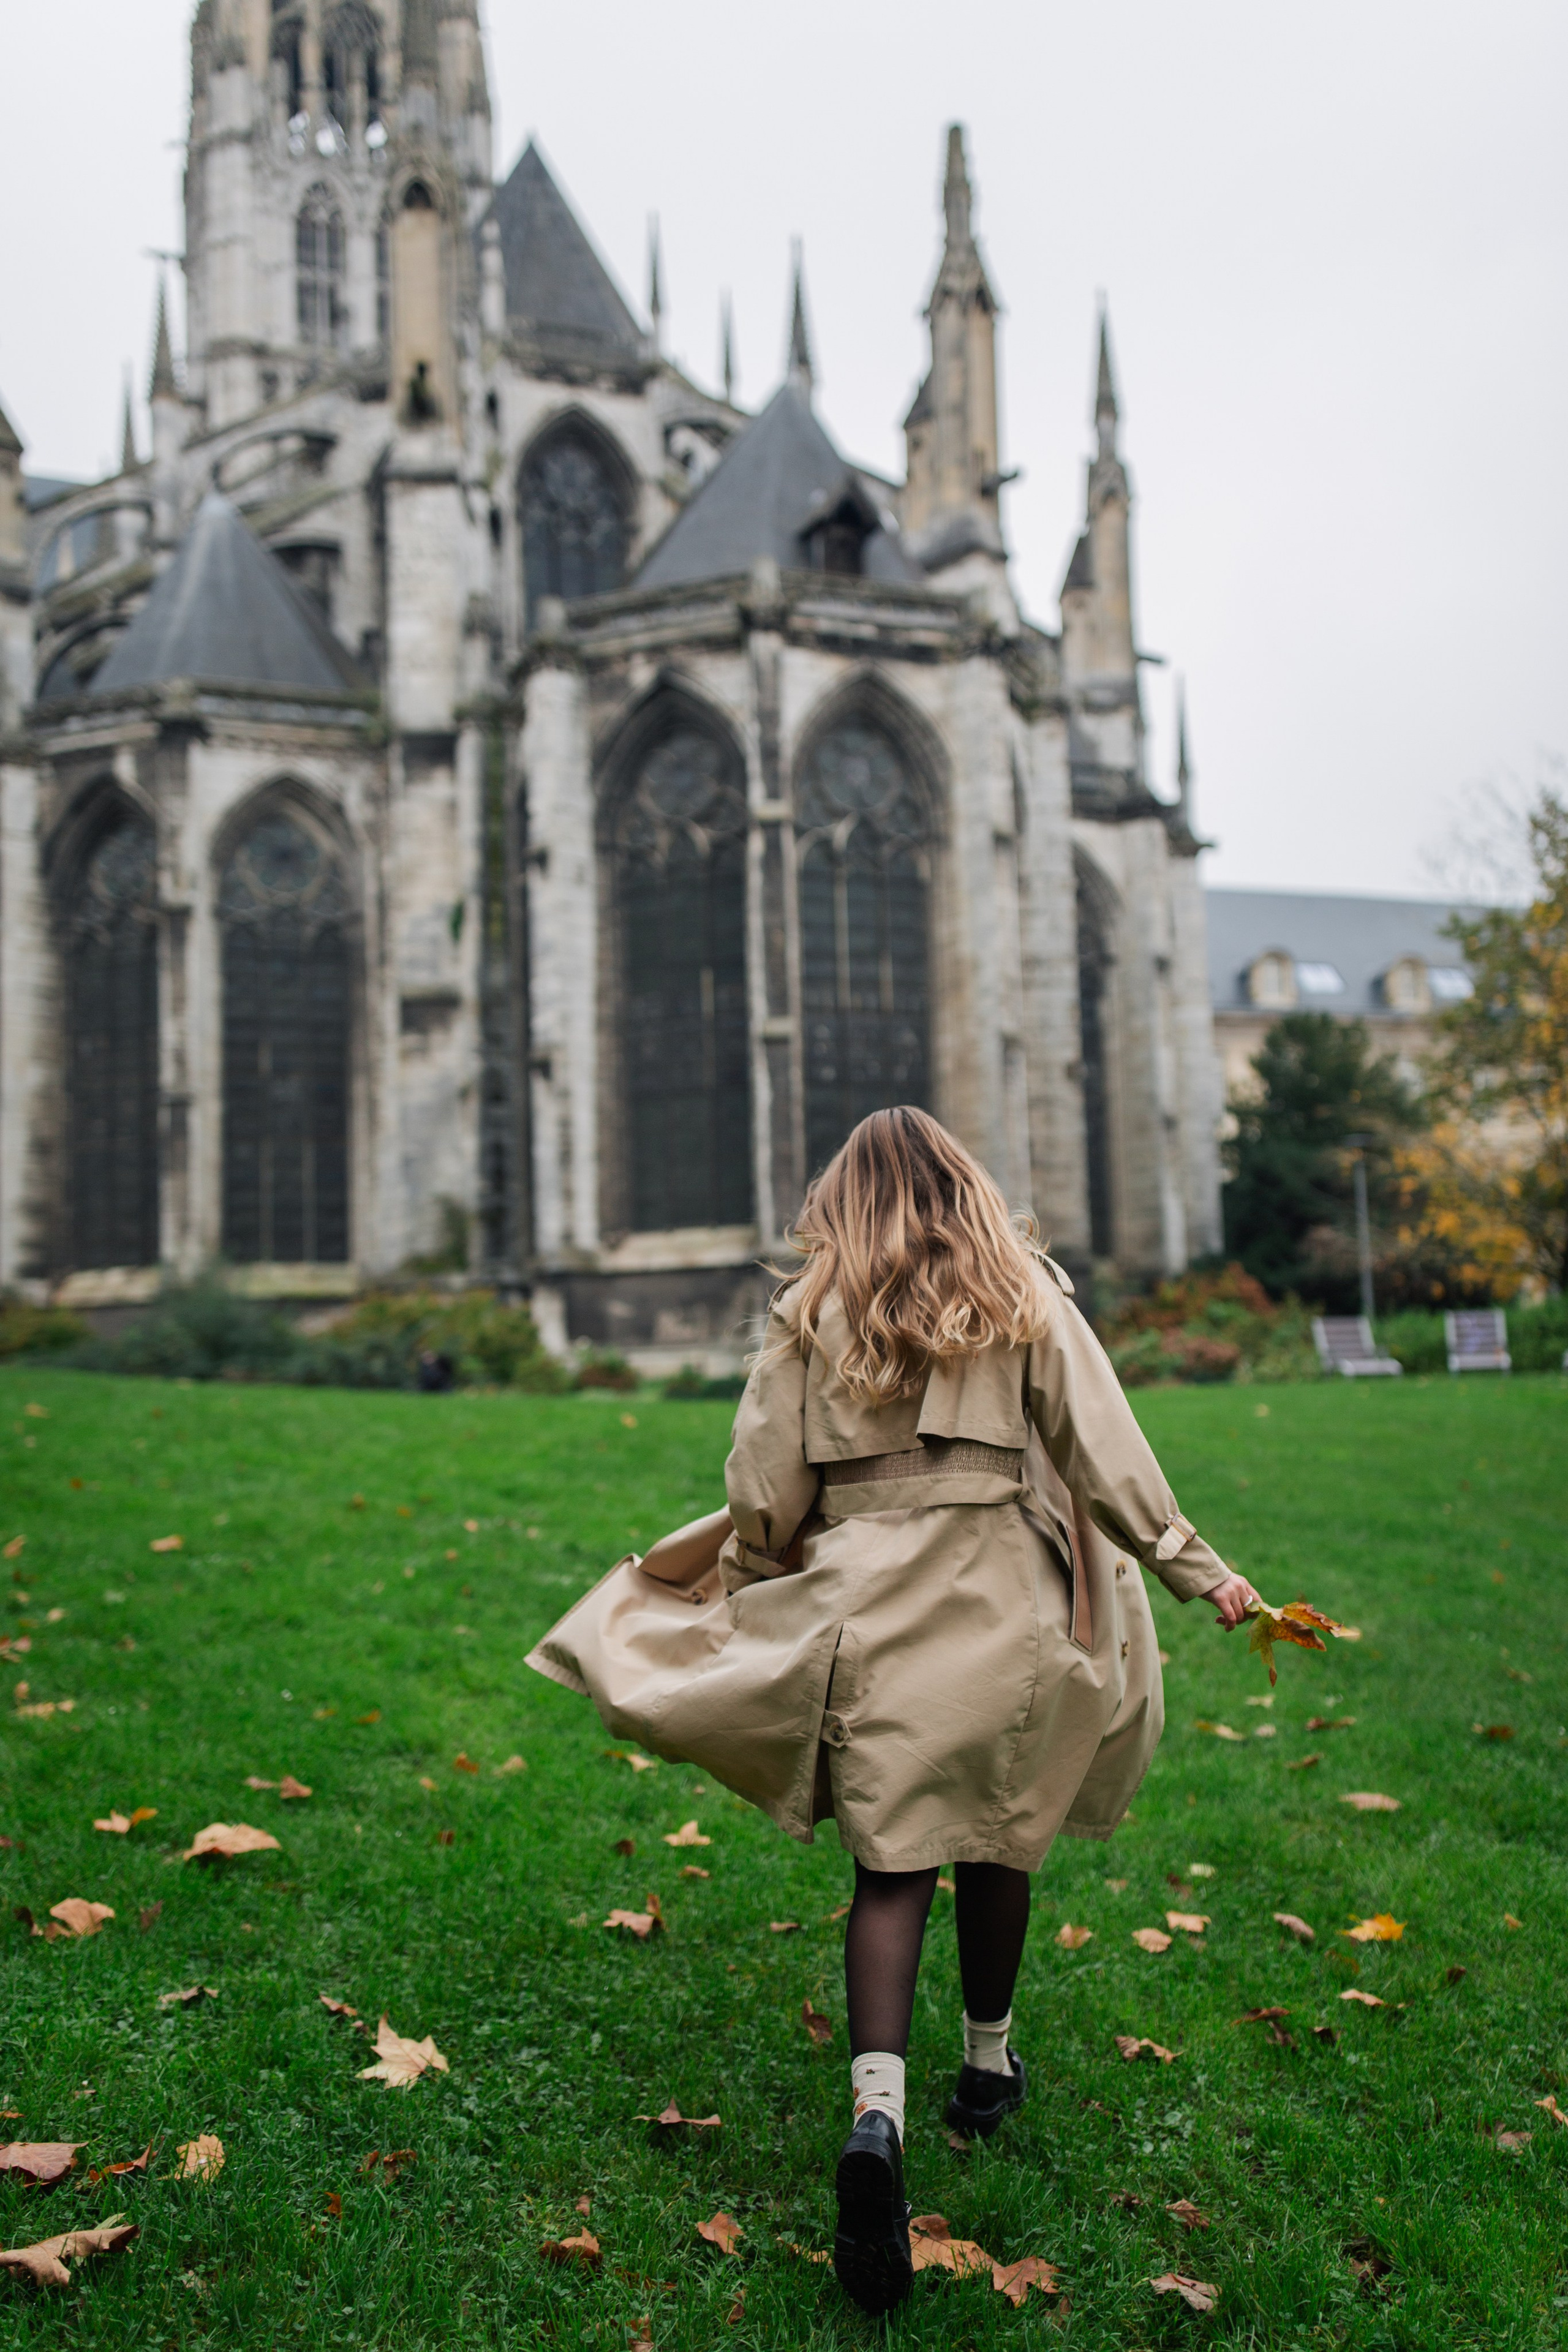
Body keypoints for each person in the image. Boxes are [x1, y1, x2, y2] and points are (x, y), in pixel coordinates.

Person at [528, 1107, 1257, 2316]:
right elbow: (1101, 1445)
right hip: (1011, 1604)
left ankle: (878, 2115)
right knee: (1000, 1836)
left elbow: (763, 1479)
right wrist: (1195, 1567)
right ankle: (986, 2068)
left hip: (869, 1607)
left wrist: (752, 1570)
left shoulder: (813, 1310)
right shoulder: (1021, 1293)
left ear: (845, 1199)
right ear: (965, 1187)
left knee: (892, 1864)